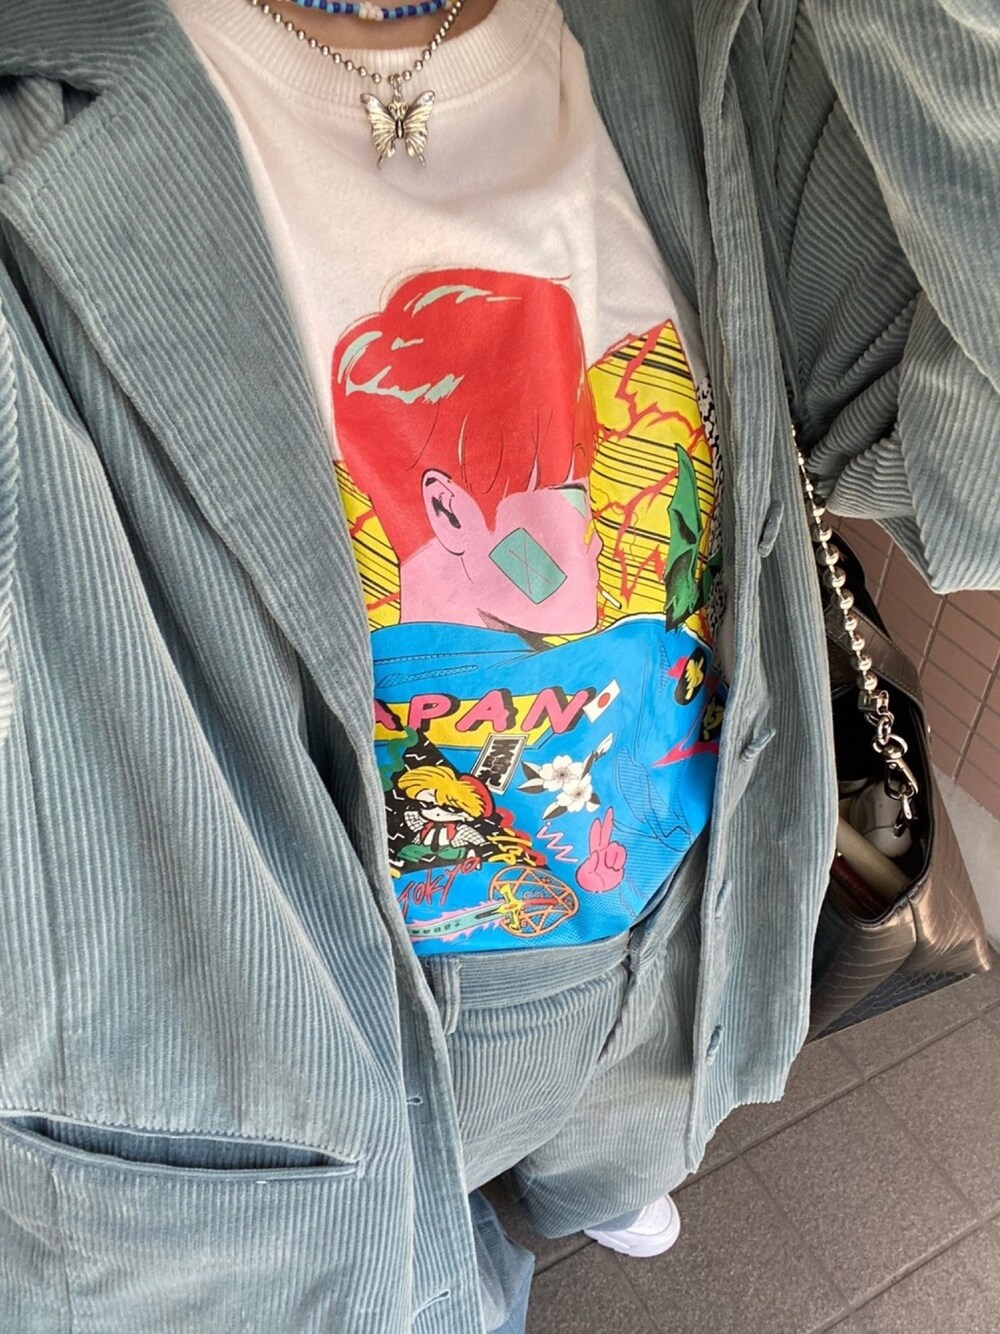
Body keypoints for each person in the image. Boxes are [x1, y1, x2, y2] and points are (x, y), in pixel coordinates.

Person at [0, 1, 997, 1330]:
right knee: (429, 1276)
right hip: (323, 1056)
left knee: (625, 1138)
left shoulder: (699, 39)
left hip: (667, 939)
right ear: (450, 513)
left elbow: (976, 485)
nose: (572, 517)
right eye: (541, 498)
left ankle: (600, 1180)